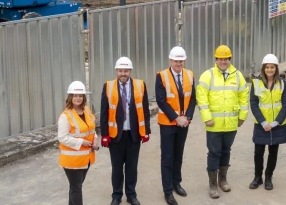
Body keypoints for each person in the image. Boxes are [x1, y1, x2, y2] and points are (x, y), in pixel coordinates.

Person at [196, 45, 249, 199]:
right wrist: (207, 118)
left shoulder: (238, 76)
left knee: (226, 151)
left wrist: (242, 117)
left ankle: (223, 180)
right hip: (213, 125)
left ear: (229, 59)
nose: (223, 61)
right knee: (214, 153)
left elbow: (244, 96)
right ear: (216, 59)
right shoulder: (208, 75)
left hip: (231, 123)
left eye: (226, 58)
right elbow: (201, 97)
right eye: (220, 58)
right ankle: (212, 185)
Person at [100, 57, 151, 205]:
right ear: (116, 71)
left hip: (133, 134)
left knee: (131, 167)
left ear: (130, 71)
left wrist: (146, 130)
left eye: (126, 70)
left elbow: (145, 110)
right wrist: (104, 134)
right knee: (117, 168)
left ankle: (131, 195)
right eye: (121, 70)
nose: (123, 73)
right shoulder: (108, 86)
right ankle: (116, 195)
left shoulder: (140, 85)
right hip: (115, 135)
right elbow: (104, 113)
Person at [155, 46, 197, 205]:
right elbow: (161, 100)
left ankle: (176, 183)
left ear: (184, 60)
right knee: (167, 157)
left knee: (178, 154)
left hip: (184, 122)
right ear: (170, 60)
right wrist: (176, 118)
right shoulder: (161, 76)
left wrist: (188, 117)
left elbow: (192, 98)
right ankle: (167, 191)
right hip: (167, 124)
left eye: (180, 60)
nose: (178, 63)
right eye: (175, 60)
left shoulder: (190, 74)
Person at [248, 54, 286, 191]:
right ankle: (257, 177)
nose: (270, 70)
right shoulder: (256, 83)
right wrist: (263, 122)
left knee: (273, 152)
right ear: (263, 68)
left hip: (277, 125)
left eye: (272, 67)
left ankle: (268, 177)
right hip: (261, 124)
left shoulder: (282, 83)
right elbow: (254, 104)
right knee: (258, 152)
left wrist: (276, 122)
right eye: (267, 67)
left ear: (276, 69)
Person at [57, 81, 99, 205]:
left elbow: (91, 129)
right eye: (75, 95)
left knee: (75, 186)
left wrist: (95, 138)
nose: (78, 98)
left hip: (86, 158)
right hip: (72, 160)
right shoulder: (65, 116)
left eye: (80, 95)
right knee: (76, 188)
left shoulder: (87, 110)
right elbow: (62, 137)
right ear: (70, 97)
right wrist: (82, 142)